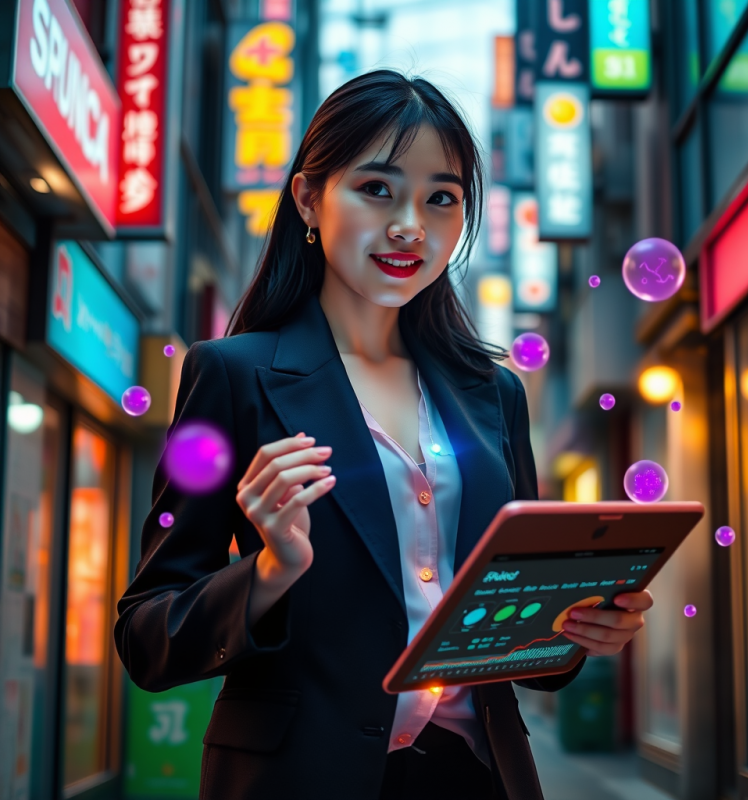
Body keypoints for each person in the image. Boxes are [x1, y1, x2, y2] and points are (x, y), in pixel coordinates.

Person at [114, 69, 653, 800]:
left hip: (479, 778)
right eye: (377, 189)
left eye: (442, 199)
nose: (411, 226)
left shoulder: (493, 394)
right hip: (301, 778)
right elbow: (149, 635)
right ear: (308, 196)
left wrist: (579, 627)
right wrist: (270, 571)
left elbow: (524, 650)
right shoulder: (232, 376)